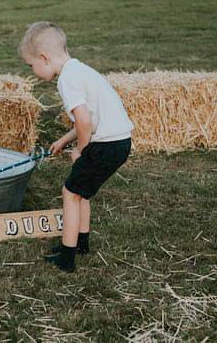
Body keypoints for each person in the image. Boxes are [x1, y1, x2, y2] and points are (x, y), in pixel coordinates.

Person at [19, 22, 133, 272]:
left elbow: (84, 121)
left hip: (106, 144)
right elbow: (88, 118)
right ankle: (82, 243)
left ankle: (67, 258)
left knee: (70, 192)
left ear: (44, 58)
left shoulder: (66, 80)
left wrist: (81, 150)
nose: (32, 70)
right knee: (82, 191)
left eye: (31, 65)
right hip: (119, 142)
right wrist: (63, 140)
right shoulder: (80, 70)